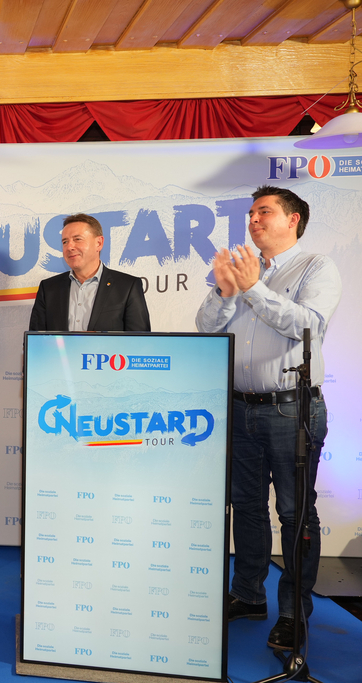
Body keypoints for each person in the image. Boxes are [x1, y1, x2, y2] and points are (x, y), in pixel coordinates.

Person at [195, 186, 341, 650]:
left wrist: (253, 288)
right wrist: (226, 290)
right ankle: (248, 595)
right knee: (247, 506)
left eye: (264, 211)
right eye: (251, 213)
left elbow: (308, 325)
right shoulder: (242, 270)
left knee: (295, 513)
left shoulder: (315, 266)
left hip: (291, 408)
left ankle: (294, 613)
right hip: (240, 406)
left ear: (293, 219)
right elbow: (206, 326)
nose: (253, 220)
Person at [28, 213, 150, 332]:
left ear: (99, 243)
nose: (69, 247)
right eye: (65, 242)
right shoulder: (48, 288)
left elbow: (140, 341)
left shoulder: (128, 286)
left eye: (77, 239)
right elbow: (35, 340)